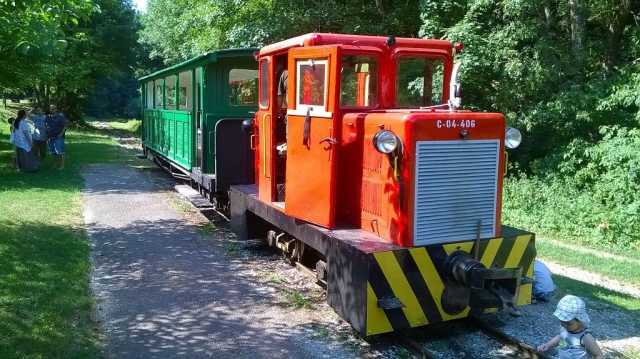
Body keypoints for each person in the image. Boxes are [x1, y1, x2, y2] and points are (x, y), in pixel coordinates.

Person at [537, 295, 603, 359]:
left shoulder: (585, 337)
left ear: (580, 321)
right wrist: (548, 345)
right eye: (561, 321)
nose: (563, 325)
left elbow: (598, 355)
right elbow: (560, 337)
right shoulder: (564, 328)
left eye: (568, 323)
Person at [46, 104, 68, 170]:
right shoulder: (48, 117)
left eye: (53, 108)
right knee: (53, 152)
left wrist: (61, 134)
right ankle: (55, 164)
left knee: (60, 152)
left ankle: (62, 165)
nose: (52, 110)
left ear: (56, 109)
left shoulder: (60, 117)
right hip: (50, 137)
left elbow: (65, 125)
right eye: (51, 109)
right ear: (49, 109)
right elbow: (46, 125)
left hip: (58, 137)